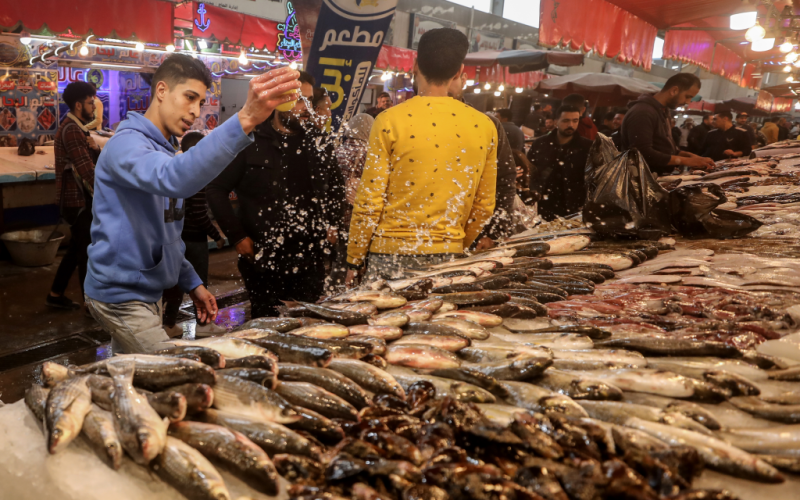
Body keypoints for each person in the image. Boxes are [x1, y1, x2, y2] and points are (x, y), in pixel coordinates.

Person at [84, 54, 301, 353]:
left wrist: (192, 282)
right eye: (189, 97)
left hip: (147, 294)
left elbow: (164, 235)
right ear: (161, 91)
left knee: (131, 378)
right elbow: (176, 178)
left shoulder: (162, 149)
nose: (194, 111)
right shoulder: (127, 145)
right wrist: (246, 118)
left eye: (199, 102)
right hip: (120, 296)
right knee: (174, 373)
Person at [345, 28, 498, 283]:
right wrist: (457, 242)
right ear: (460, 71)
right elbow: (484, 205)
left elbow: (369, 200)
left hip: (389, 255)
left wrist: (354, 258)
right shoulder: (483, 126)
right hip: (449, 254)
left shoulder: (388, 120)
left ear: (414, 66)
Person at [207, 71, 344, 318]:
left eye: (310, 101)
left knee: (309, 328)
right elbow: (216, 189)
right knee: (267, 331)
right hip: (263, 262)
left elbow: (336, 188)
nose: (307, 108)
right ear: (280, 101)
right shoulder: (250, 141)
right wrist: (237, 237)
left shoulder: (318, 143)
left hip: (309, 260)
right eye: (300, 100)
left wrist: (333, 225)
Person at [161, 132, 227, 338]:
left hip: (179, 238)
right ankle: (204, 324)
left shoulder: (178, 170)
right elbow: (199, 213)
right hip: (195, 240)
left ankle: (169, 324)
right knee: (199, 283)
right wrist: (216, 235)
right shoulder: (197, 174)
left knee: (177, 284)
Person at [47, 81, 99, 311]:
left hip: (76, 199)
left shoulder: (77, 128)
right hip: (76, 201)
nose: (94, 108)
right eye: (90, 103)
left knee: (77, 248)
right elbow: (88, 171)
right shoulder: (72, 130)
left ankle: (55, 293)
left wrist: (95, 148)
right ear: (79, 105)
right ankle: (90, 306)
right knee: (86, 252)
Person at [448, 71, 516, 246]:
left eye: (452, 77)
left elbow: (505, 180)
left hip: (472, 234)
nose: (445, 85)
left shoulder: (487, 124)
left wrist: (494, 233)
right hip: (416, 237)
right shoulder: (409, 121)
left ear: (464, 79)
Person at [621, 73, 714, 174]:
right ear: (674, 90)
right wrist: (686, 161)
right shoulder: (643, 112)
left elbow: (665, 149)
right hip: (641, 181)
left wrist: (691, 157)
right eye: (687, 96)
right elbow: (642, 153)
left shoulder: (663, 111)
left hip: (657, 177)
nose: (688, 102)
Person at [527, 105, 592, 221]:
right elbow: (530, 170)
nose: (570, 125)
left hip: (574, 205)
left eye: (575, 121)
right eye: (566, 120)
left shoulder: (587, 147)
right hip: (544, 204)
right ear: (556, 122)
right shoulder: (540, 144)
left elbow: (594, 177)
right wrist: (534, 190)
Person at [330, 113, 374, 286]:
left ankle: (332, 294)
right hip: (355, 217)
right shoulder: (367, 153)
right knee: (353, 262)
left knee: (339, 260)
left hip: (337, 217)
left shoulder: (337, 149)